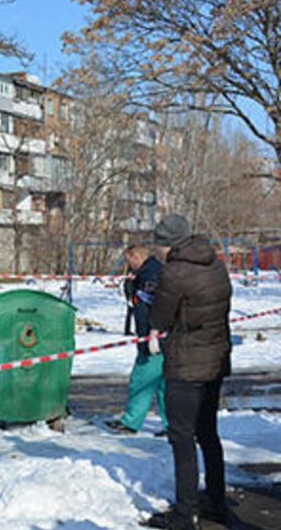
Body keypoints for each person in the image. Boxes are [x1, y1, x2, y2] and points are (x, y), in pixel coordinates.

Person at [142, 215, 232, 530]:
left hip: (186, 363)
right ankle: (216, 502)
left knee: (181, 437)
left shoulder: (174, 273)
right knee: (208, 433)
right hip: (216, 358)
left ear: (167, 244)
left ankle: (185, 515)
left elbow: (161, 318)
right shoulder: (216, 264)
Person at [106, 244, 167, 436]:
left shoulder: (151, 276)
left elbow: (158, 305)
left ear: (136, 257)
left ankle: (131, 422)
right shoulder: (150, 273)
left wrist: (154, 333)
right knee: (164, 385)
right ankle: (172, 425)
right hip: (161, 337)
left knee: (141, 381)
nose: (128, 264)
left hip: (153, 338)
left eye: (128, 260)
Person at [123, 265, 136, 336]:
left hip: (132, 292)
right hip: (131, 293)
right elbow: (128, 284)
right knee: (131, 312)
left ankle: (128, 329)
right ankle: (127, 330)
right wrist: (130, 296)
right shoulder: (132, 270)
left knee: (132, 312)